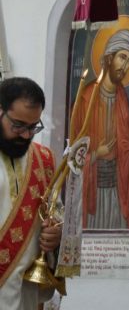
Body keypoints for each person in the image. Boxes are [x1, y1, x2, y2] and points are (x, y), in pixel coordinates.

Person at [74, 29, 129, 229]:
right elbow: (72, 153)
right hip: (93, 193)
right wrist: (96, 154)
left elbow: (124, 147)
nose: (125, 66)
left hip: (117, 191)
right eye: (122, 57)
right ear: (109, 57)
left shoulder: (122, 100)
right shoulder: (86, 98)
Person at [0, 77, 61, 309]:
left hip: (27, 294)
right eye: (18, 126)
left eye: (33, 127)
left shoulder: (44, 161)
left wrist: (56, 236)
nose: (26, 135)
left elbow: (57, 215)